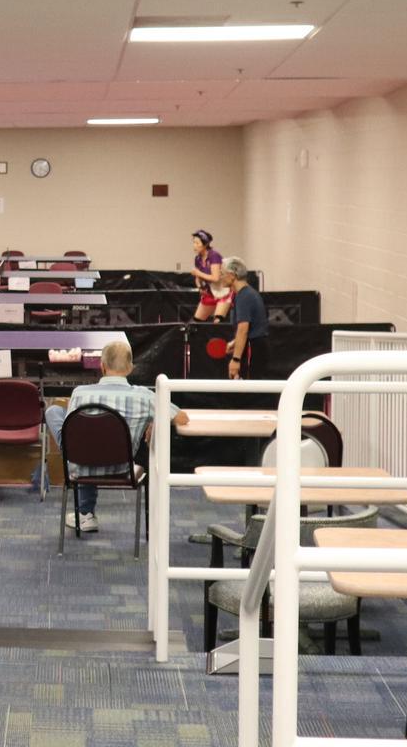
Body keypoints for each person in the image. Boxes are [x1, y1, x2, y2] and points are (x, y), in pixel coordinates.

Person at [36, 339, 188, 534]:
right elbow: (182, 418)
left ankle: (85, 514)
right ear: (131, 368)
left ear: (102, 366)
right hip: (122, 469)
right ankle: (85, 513)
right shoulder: (145, 397)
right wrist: (156, 419)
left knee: (55, 414)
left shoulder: (79, 394)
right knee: (93, 441)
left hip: (79, 464)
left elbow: (72, 431)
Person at [225, 258, 268, 381]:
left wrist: (235, 360)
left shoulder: (245, 296)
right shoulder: (247, 293)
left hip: (253, 351)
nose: (220, 277)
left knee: (250, 392)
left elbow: (243, 329)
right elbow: (255, 326)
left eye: (223, 273)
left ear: (232, 275)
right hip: (255, 348)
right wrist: (235, 342)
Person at [189, 229, 229, 321]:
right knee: (196, 322)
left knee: (218, 322)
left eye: (197, 243)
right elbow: (198, 277)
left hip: (222, 291)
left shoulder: (214, 256)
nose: (194, 245)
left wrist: (198, 273)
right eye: (193, 242)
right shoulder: (198, 258)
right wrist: (200, 287)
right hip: (209, 292)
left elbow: (215, 278)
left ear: (205, 244)